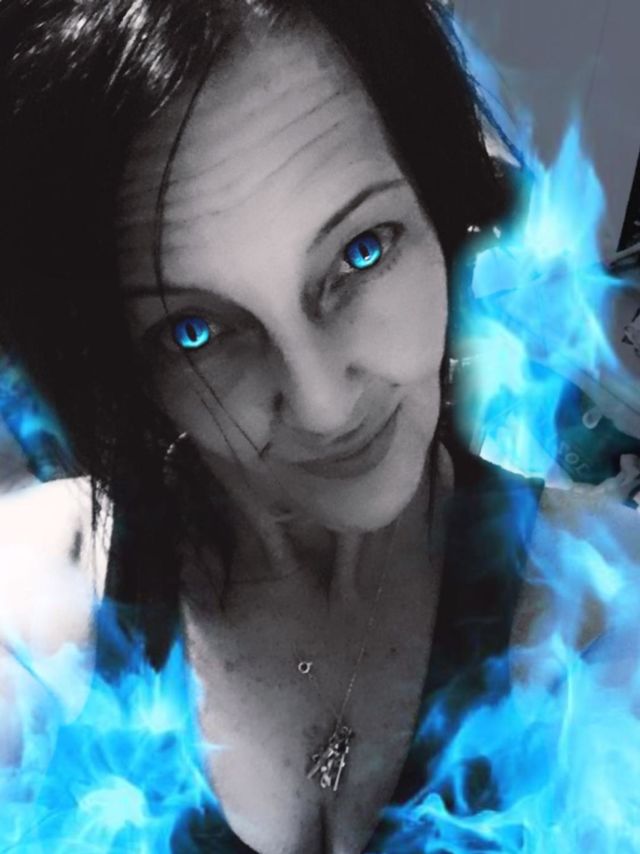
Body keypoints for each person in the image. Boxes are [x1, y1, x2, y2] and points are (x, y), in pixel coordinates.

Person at [0, 1, 637, 851]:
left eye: (362, 251)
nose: (320, 404)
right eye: (195, 330)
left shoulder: (602, 613)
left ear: (437, 208)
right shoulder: (35, 617)